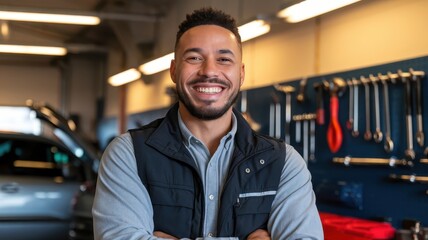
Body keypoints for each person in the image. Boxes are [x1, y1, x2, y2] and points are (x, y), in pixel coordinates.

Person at [92, 7, 323, 240]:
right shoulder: (128, 154)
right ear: (174, 70)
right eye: (194, 58)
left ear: (241, 74)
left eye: (223, 59)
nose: (209, 70)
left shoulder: (283, 163)